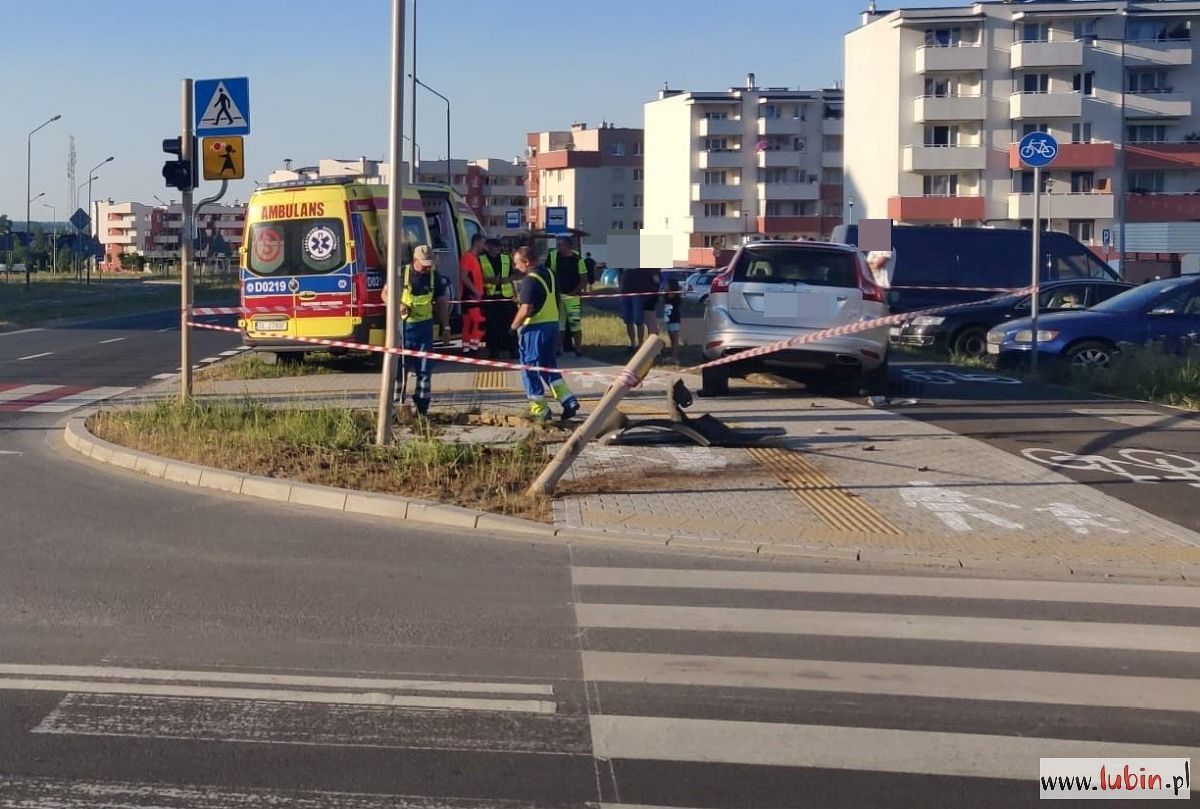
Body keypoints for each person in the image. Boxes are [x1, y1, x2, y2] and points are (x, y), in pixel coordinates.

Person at [510, 246, 580, 423]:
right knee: (549, 366)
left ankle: (539, 410)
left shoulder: (529, 280)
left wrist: (512, 328)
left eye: (517, 264)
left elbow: (526, 308)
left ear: (527, 262)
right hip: (551, 325)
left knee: (530, 369)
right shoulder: (549, 273)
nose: (516, 267)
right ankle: (568, 401)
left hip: (534, 329)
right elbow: (555, 298)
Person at [398, 244, 450, 417]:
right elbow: (385, 294)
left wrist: (446, 325)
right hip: (404, 329)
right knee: (400, 371)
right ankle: (397, 406)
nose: (427, 268)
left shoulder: (434, 277)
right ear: (415, 261)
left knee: (425, 371)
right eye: (424, 264)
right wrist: (398, 304)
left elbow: (442, 301)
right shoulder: (401, 274)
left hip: (425, 330)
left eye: (430, 264)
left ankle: (422, 409)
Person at [547, 236, 588, 356]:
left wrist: (575, 292)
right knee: (560, 323)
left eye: (561, 245)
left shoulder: (577, 259)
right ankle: (559, 348)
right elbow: (550, 274)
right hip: (559, 296)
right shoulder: (555, 257)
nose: (558, 248)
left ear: (568, 246)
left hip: (573, 297)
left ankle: (578, 348)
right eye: (558, 245)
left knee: (575, 323)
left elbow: (584, 279)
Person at [480, 238, 517, 359]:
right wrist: (490, 280)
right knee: (492, 325)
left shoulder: (506, 258)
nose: (497, 249)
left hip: (506, 297)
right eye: (495, 246)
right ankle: (493, 351)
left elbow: (514, 274)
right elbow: (477, 278)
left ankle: (513, 350)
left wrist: (509, 280)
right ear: (488, 247)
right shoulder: (481, 259)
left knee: (510, 324)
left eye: (498, 246)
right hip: (490, 296)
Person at [459, 234, 486, 354]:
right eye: (483, 243)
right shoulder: (467, 257)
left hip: (474, 296)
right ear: (477, 243)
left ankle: (468, 348)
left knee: (470, 323)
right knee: (479, 322)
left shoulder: (474, 258)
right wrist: (475, 292)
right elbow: (464, 277)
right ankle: (471, 347)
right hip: (470, 296)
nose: (484, 246)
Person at [619, 267, 644, 352]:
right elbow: (620, 273)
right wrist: (620, 289)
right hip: (625, 292)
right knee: (627, 319)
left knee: (638, 319)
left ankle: (640, 344)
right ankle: (632, 343)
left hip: (637, 292)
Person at [663, 274, 683, 363]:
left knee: (675, 339)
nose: (665, 286)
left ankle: (675, 357)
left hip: (674, 319)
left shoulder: (675, 296)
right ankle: (672, 356)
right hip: (668, 318)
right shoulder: (666, 295)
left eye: (666, 285)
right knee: (671, 338)